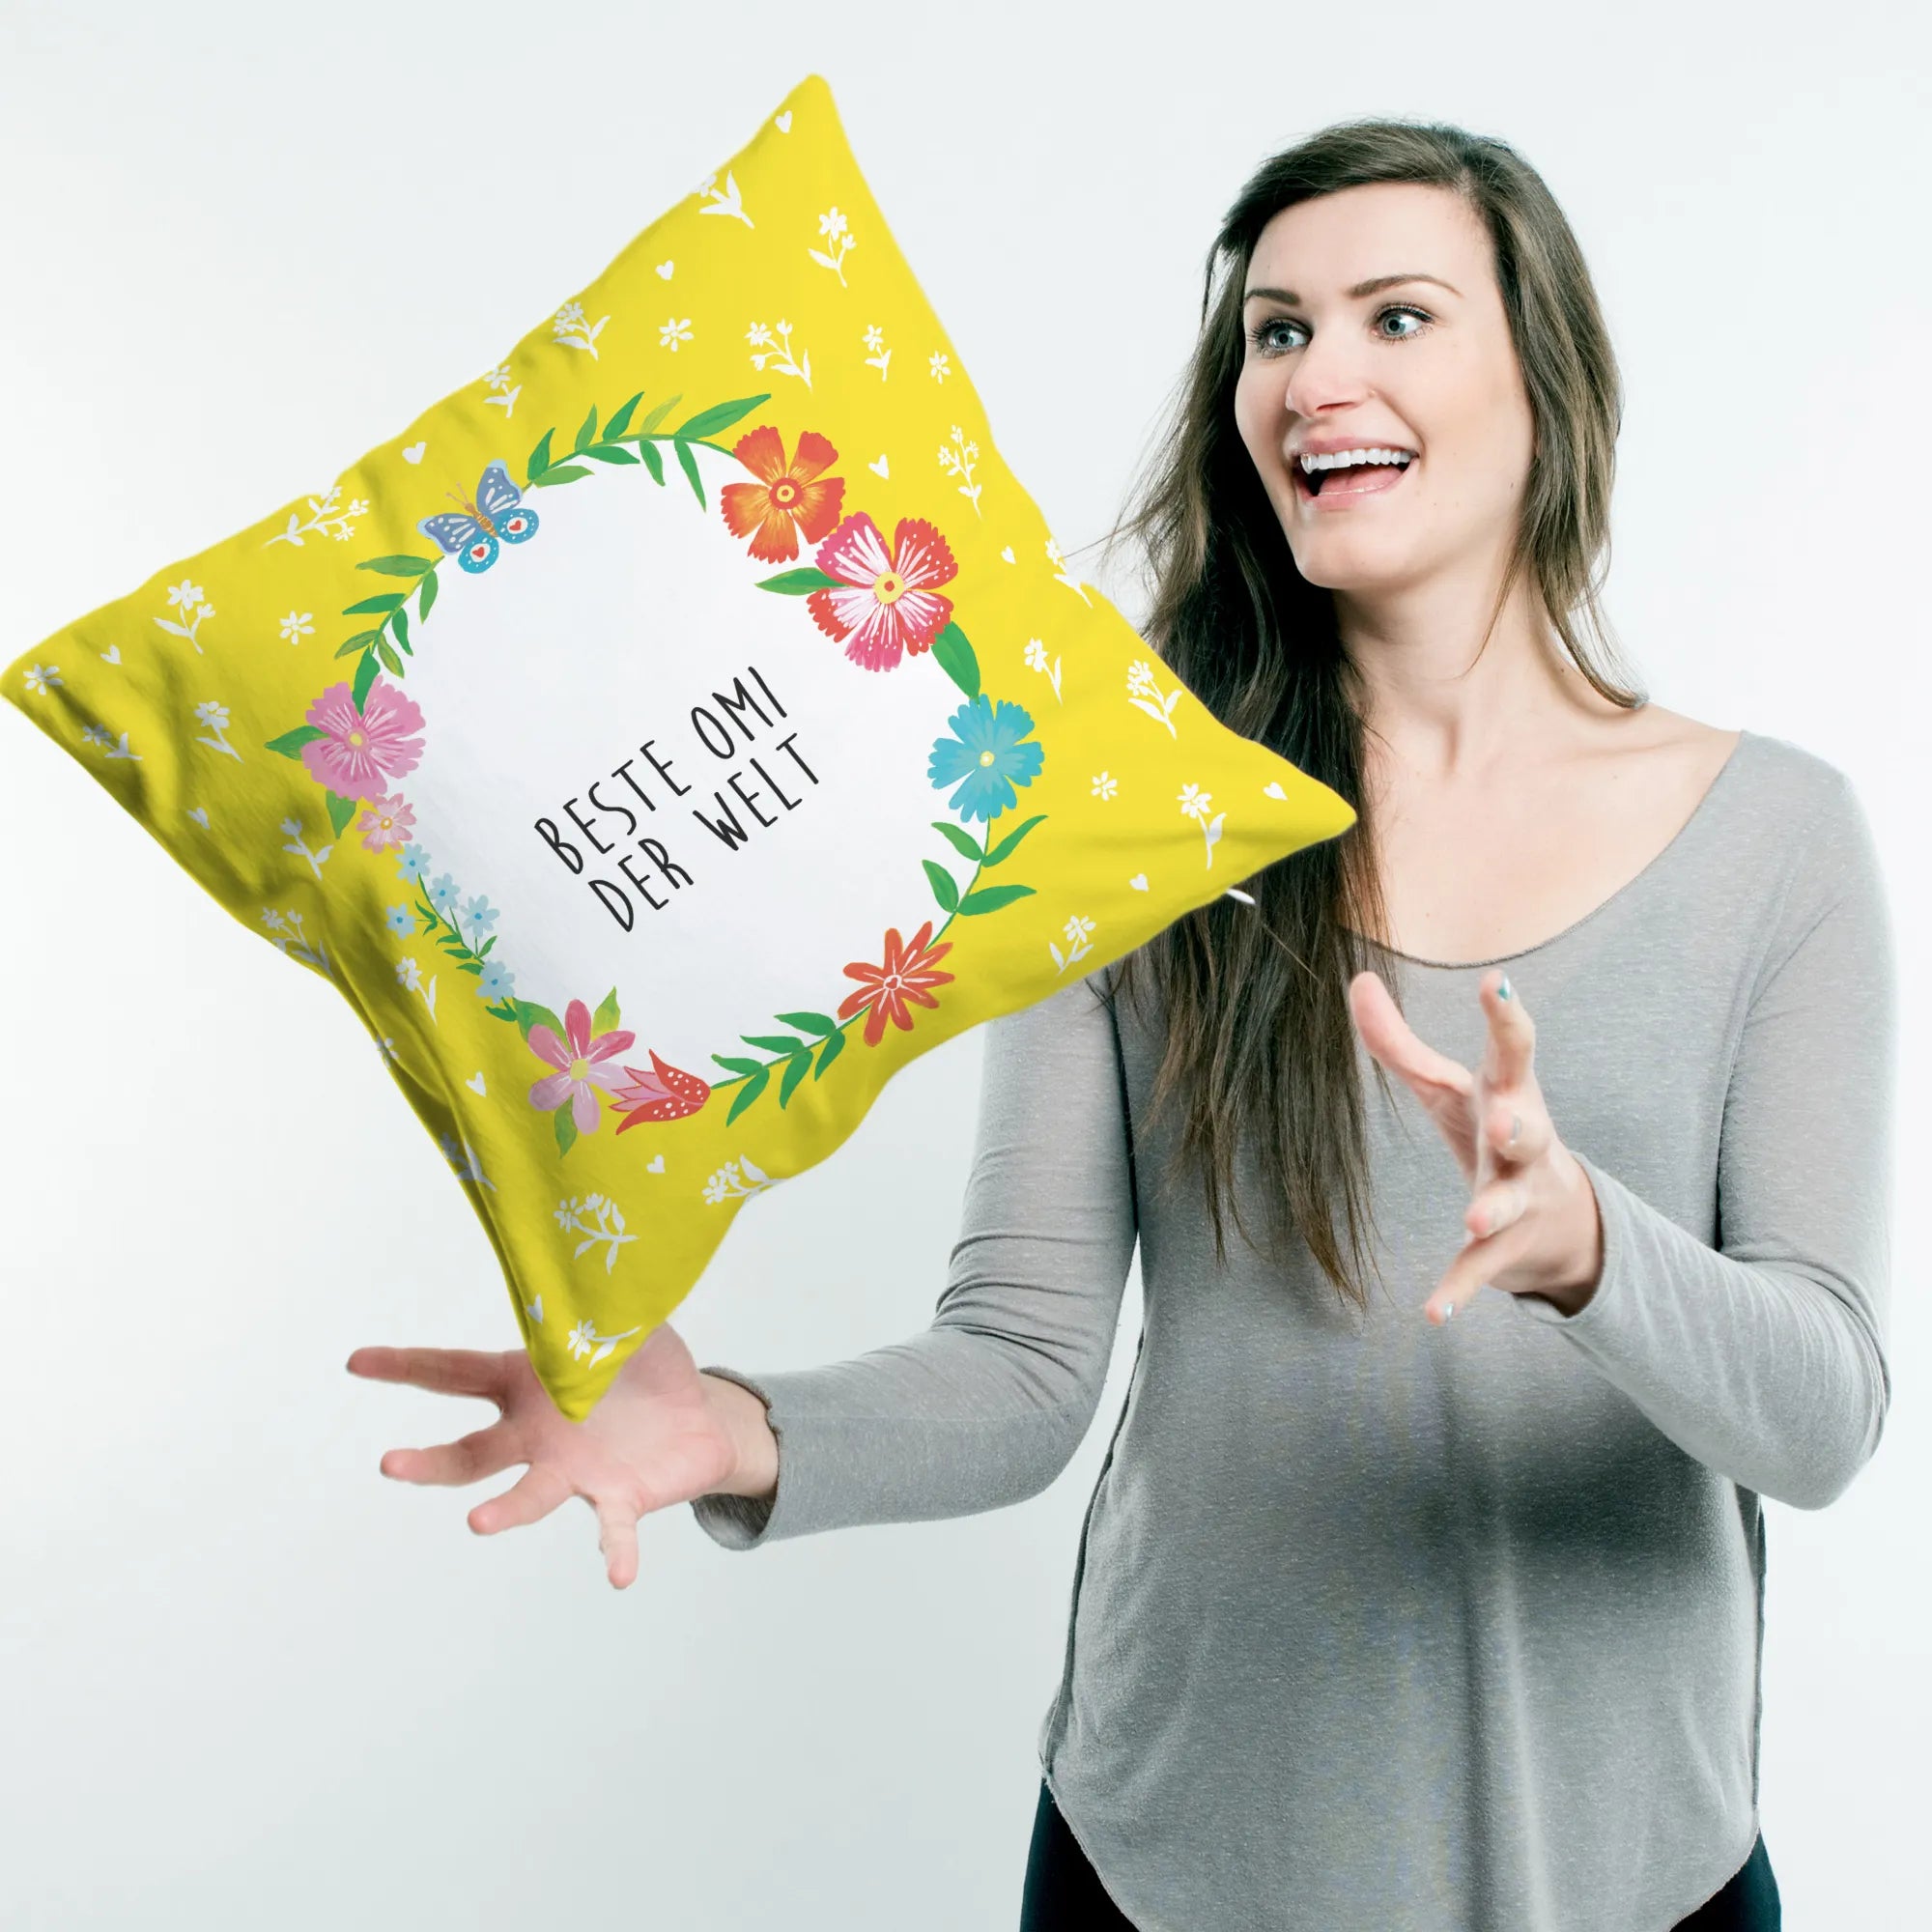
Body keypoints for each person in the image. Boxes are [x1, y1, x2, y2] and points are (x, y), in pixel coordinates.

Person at [347, 117, 1893, 1930]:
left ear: (1548, 384)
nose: (1315, 375)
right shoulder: (1135, 827)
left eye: (1397, 316)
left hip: (1638, 1874)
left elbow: (1823, 1418)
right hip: (1172, 1865)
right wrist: (734, 1429)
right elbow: (1022, 1364)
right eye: (1276, 330)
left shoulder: (1775, 841)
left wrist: (1591, 1251)